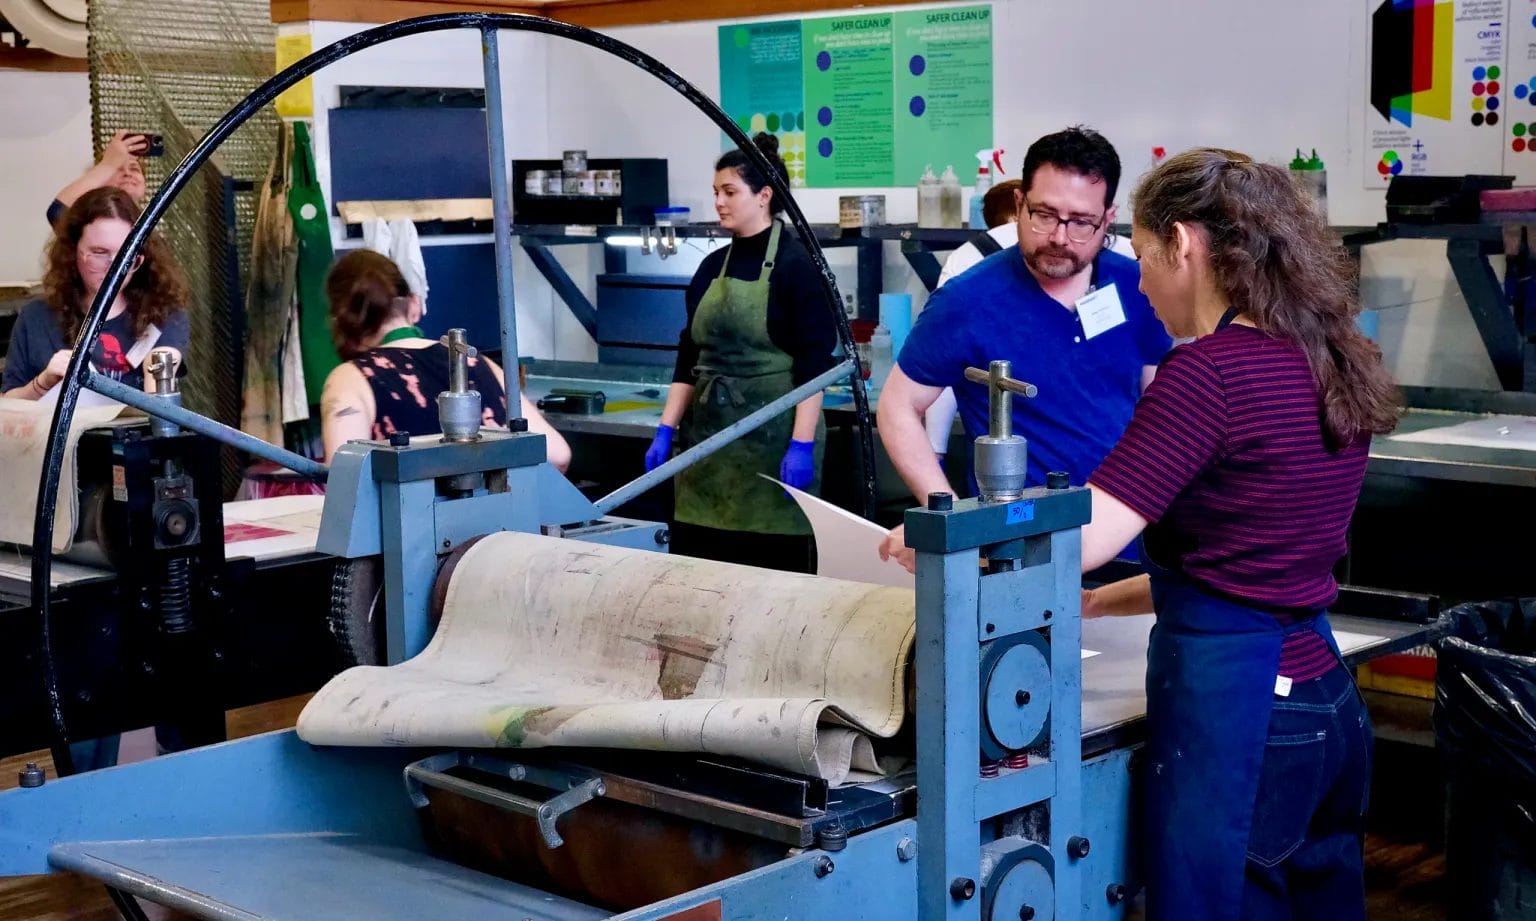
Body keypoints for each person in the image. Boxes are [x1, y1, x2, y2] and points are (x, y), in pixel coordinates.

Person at [887, 148, 1401, 920]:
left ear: (1184, 245)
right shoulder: (1330, 357)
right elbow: (1238, 558)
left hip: (1240, 712)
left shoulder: (1210, 375)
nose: (1140, 277)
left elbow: (1082, 536)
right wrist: (1098, 605)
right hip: (1323, 702)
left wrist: (949, 530)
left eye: (1141, 248)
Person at [878, 126, 1171, 511]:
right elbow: (897, 406)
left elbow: (1159, 407)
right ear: (1019, 203)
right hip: (1015, 538)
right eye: (1045, 215)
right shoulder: (968, 300)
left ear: (1108, 218)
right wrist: (946, 515)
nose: (1059, 238)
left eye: (1082, 222)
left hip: (1127, 527)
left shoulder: (1139, 287)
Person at [641, 132, 838, 574]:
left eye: (730, 191)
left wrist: (801, 445)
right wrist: (666, 430)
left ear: (764, 195)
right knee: (702, 574)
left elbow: (814, 367)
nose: (720, 202)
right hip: (707, 451)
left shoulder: (799, 267)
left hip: (774, 450)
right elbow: (687, 358)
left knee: (770, 577)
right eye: (716, 192)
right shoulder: (711, 268)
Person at [317, 249, 571, 471]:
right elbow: (558, 455)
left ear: (338, 322)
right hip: (500, 524)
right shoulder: (474, 362)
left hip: (408, 525)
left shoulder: (349, 379)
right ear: (414, 304)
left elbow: (343, 485)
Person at [3, 187, 190, 400]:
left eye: (126, 256)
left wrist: (157, 376)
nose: (114, 267)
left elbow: (160, 407)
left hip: (135, 432)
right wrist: (43, 383)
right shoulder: (36, 318)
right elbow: (8, 407)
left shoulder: (162, 312)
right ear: (72, 251)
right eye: (99, 253)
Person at [47, 130, 151, 226]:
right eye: (118, 169)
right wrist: (108, 165)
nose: (127, 173)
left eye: (135, 169)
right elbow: (58, 212)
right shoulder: (92, 223)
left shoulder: (152, 231)